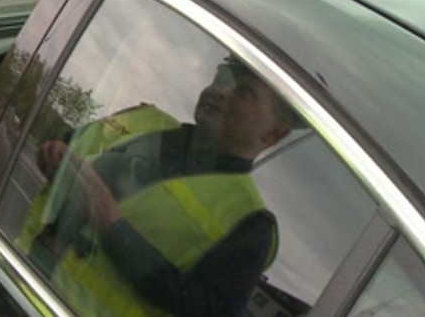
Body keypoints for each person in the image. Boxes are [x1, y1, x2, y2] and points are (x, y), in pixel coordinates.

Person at [21, 57, 299, 316]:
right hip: (11, 281)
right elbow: (67, 146)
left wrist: (111, 223)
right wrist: (53, 157)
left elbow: (205, 309)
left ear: (274, 132)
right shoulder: (144, 121)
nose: (221, 90)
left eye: (244, 92)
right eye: (221, 78)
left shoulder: (250, 223)